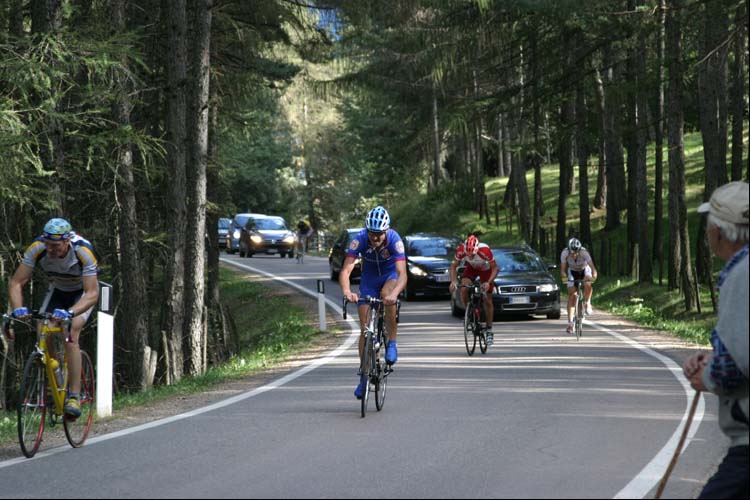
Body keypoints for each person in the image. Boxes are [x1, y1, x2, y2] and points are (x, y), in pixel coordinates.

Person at [682, 181, 749, 499]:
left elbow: (736, 367)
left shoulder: (742, 274)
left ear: (720, 232)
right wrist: (714, 357)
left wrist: (706, 374)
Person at [8, 218, 100, 418]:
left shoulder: (83, 251)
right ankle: (55, 373)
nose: (50, 249)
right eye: (48, 244)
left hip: (82, 293)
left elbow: (92, 293)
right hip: (58, 289)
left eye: (56, 246)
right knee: (42, 329)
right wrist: (18, 309)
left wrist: (70, 312)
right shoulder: (37, 248)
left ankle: (74, 396)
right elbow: (16, 282)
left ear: (67, 241)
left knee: (71, 331)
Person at [338, 206, 407, 399]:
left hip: (389, 277)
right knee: (365, 328)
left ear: (386, 230)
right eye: (372, 234)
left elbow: (402, 274)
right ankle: (364, 377)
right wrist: (346, 291)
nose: (375, 238)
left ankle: (392, 342)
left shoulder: (395, 240)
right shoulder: (359, 239)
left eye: (379, 234)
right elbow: (345, 271)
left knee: (387, 295)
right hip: (368, 281)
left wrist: (395, 293)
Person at [449, 235, 499, 345]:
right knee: (464, 288)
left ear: (476, 249)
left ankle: (489, 330)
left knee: (487, 299)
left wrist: (488, 282)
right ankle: (469, 312)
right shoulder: (461, 250)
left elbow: (495, 268)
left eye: (472, 254)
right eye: (468, 254)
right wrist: (453, 281)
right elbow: (453, 266)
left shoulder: (485, 251)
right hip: (471, 268)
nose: (470, 256)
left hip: (486, 270)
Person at [559, 237, 598, 334]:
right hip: (572, 271)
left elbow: (593, 268)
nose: (574, 254)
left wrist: (593, 277)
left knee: (587, 283)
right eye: (572, 252)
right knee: (572, 295)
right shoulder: (564, 253)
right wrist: (564, 279)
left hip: (585, 270)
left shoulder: (584, 253)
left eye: (576, 252)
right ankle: (570, 324)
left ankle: (588, 303)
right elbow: (563, 270)